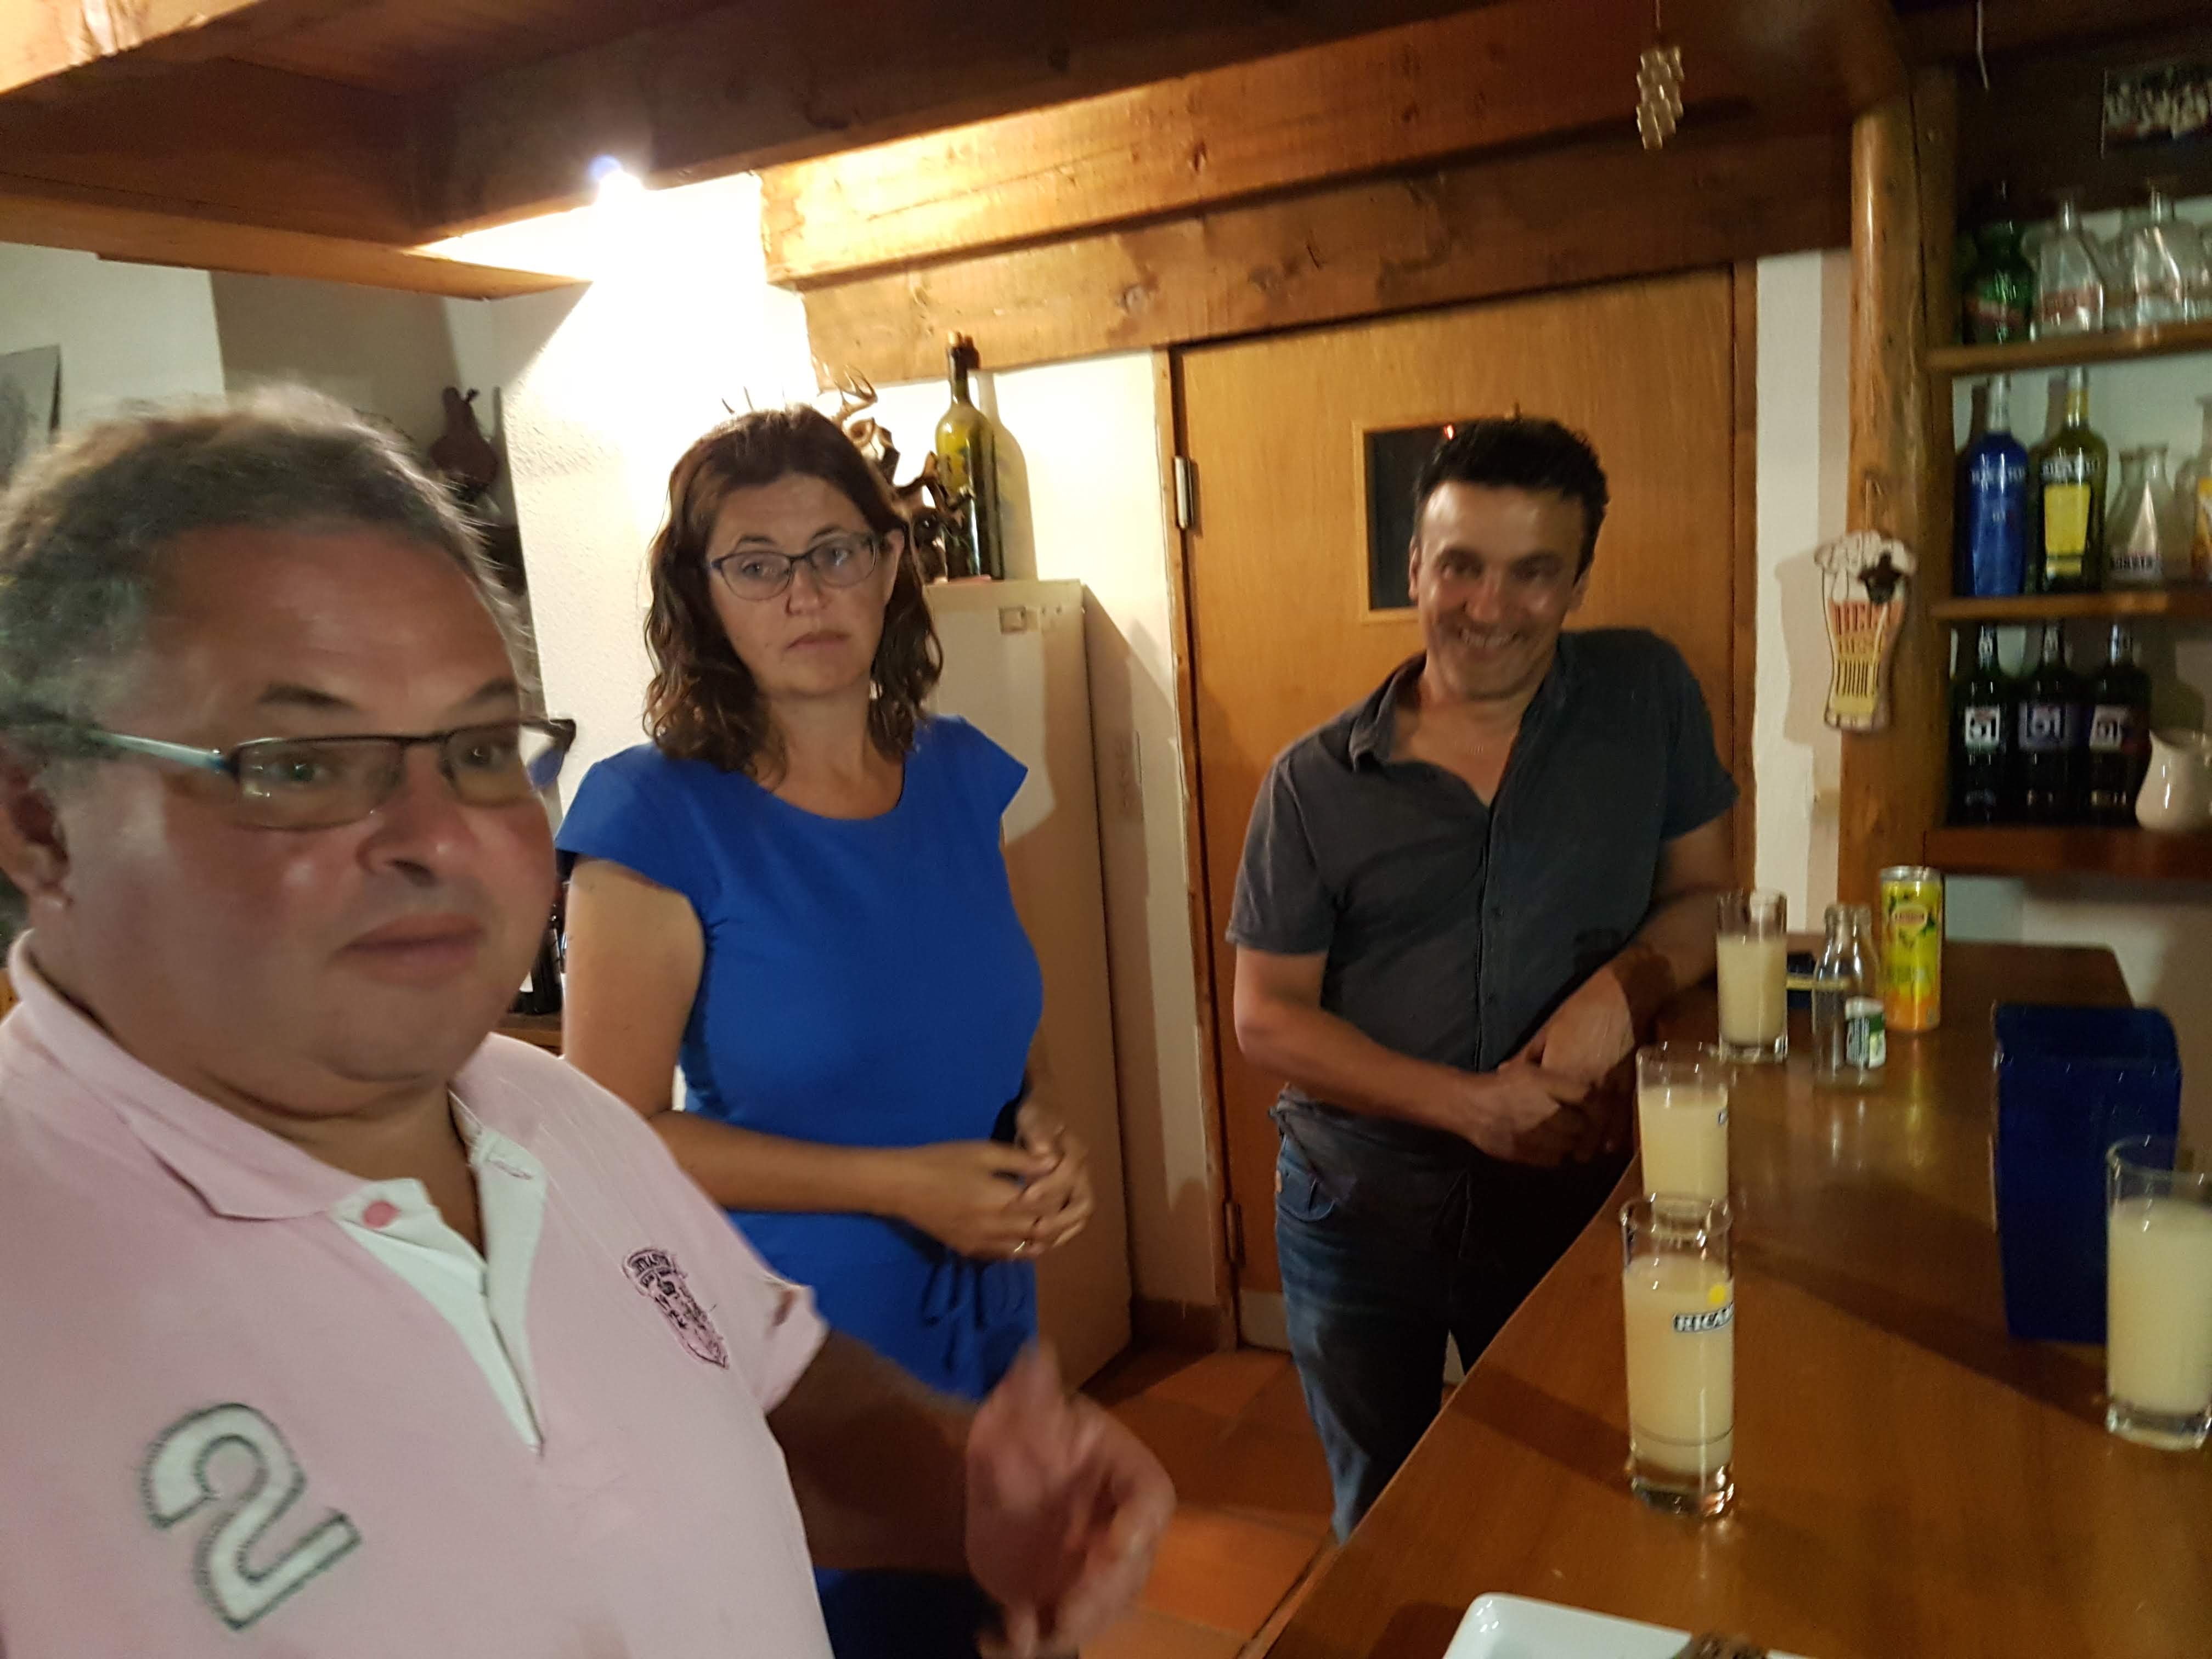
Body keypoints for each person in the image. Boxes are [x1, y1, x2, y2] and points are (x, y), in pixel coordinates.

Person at [0, 393, 1170, 1658]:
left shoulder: (543, 1116)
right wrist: (903, 1191)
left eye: (477, 748)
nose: (438, 837)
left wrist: (971, 1495)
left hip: (974, 1304)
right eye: (299, 762)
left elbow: (766, 1391)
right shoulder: (42, 1307)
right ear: (38, 820)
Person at [549, 406, 1090, 1659]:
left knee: (1022, 1616)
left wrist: (1044, 1120)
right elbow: (609, 1137)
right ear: (702, 592)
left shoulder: (959, 775)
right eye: (757, 563)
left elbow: (1000, 1019)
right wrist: (900, 1185)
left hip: (990, 1311)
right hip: (807, 1346)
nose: (805, 593)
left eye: (836, 551)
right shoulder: (655, 814)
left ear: (890, 565)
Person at [1229, 417, 1736, 1538]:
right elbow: (1265, 1020)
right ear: (1416, 567)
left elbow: (1710, 897)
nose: (1489, 606)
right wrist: (1475, 1107)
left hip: (1571, 1196)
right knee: (1385, 1514)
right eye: (1460, 566)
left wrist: (1623, 989)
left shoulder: (1646, 694)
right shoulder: (1314, 782)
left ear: (1579, 583)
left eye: (1533, 573)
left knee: (1573, 1497)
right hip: (1359, 1206)